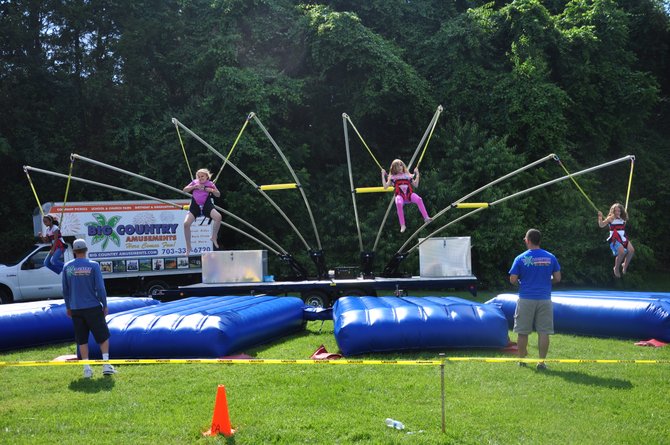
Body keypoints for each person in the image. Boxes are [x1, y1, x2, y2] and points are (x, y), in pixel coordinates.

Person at [62, 239, 116, 378]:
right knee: (103, 336)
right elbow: (100, 288)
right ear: (86, 250)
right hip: (92, 307)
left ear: (73, 251)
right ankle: (106, 365)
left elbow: (65, 289)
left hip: (76, 308)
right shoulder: (93, 266)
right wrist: (104, 304)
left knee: (82, 339)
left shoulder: (68, 267)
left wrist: (68, 307)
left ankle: (86, 368)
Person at [508, 228, 561, 370]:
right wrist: (546, 282)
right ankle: (541, 362)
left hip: (526, 298)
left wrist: (520, 282)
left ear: (528, 240)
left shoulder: (520, 258)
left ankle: (521, 360)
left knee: (522, 331)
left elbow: (512, 279)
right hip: (545, 298)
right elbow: (557, 278)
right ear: (539, 241)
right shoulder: (551, 257)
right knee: (544, 331)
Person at [381, 159, 431, 233]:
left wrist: (417, 174)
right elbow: (385, 187)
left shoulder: (408, 176)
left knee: (419, 199)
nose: (400, 167)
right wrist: (383, 175)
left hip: (409, 194)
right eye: (398, 166)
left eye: (401, 165)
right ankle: (402, 225)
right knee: (398, 203)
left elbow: (416, 185)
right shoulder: (392, 178)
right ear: (395, 168)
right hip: (400, 196)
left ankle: (426, 218)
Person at [183, 168, 222, 253]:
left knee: (218, 217)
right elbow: (184, 190)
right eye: (199, 176)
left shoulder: (210, 183)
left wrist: (210, 189)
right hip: (195, 206)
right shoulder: (194, 182)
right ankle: (188, 246)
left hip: (206, 205)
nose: (200, 178)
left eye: (202, 176)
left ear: (207, 176)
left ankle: (214, 237)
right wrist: (193, 187)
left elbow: (218, 194)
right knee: (186, 224)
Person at [598, 203, 635, 278]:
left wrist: (624, 215)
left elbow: (624, 223)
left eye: (619, 211)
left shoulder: (622, 218)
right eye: (616, 211)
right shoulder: (610, 218)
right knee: (621, 252)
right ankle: (616, 268)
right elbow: (601, 225)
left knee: (631, 250)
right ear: (613, 211)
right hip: (614, 237)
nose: (617, 212)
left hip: (623, 237)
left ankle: (625, 265)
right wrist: (600, 217)